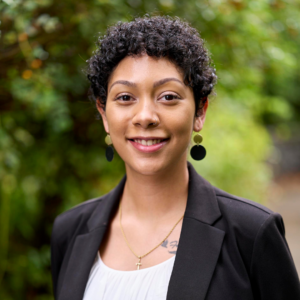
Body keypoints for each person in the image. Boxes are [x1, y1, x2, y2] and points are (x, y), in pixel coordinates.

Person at [50, 16, 300, 300]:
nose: (145, 117)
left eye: (168, 96)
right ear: (104, 113)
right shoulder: (70, 231)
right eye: (125, 97)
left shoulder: (251, 234)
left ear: (200, 111)